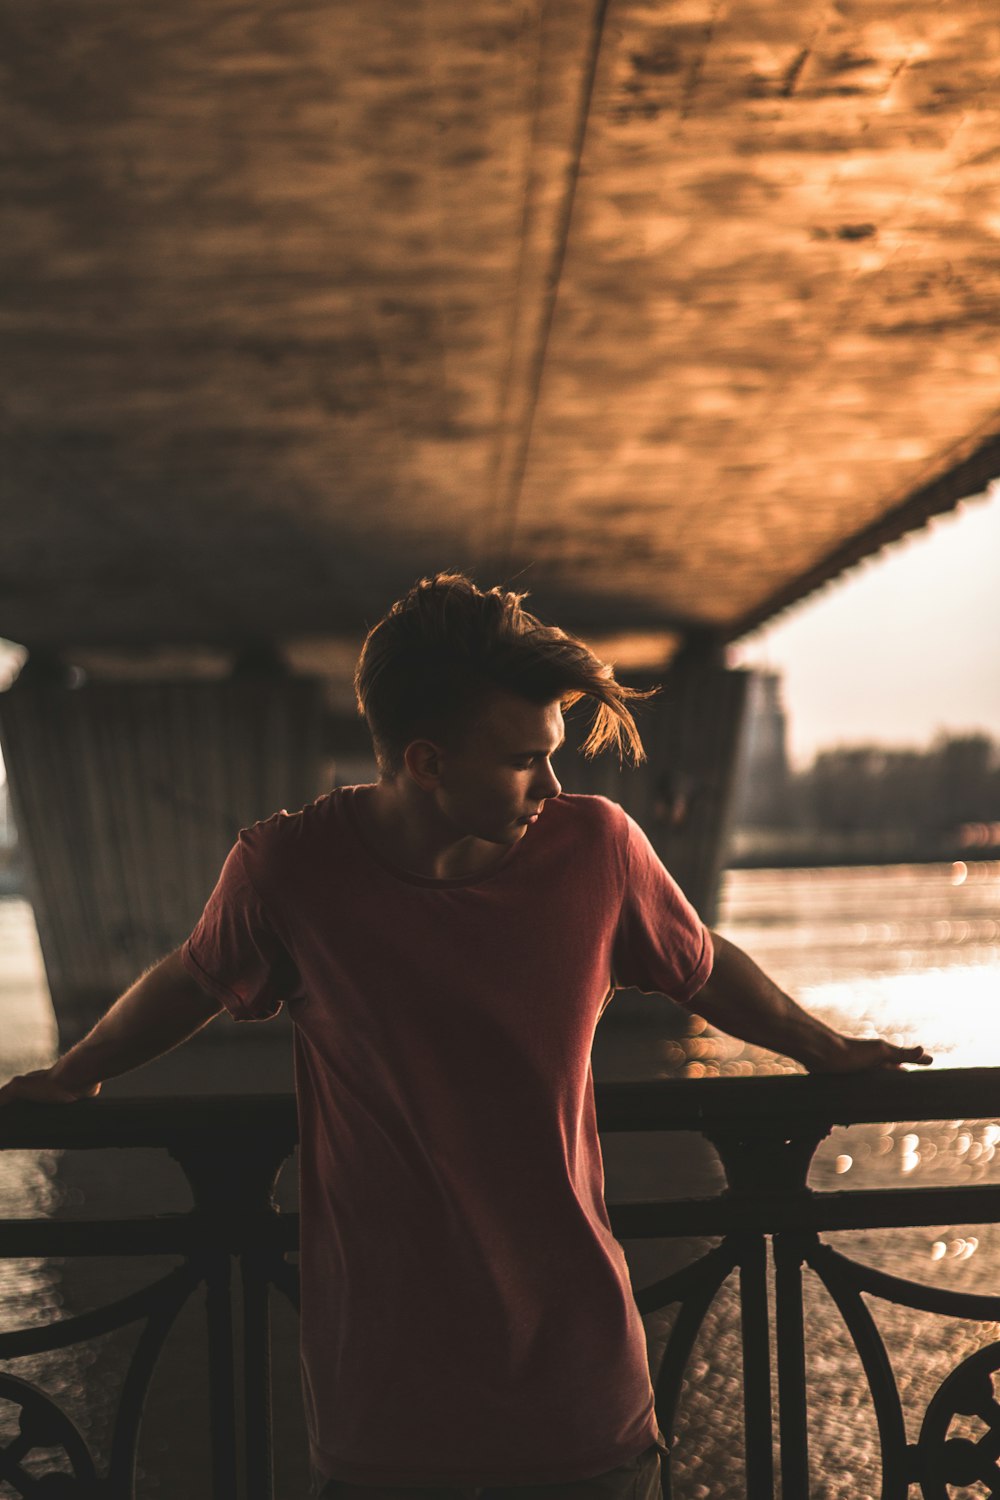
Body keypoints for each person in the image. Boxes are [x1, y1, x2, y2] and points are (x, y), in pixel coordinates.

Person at [0, 574, 931, 1499]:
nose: (553, 784)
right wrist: (76, 1075)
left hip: (582, 1397)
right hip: (387, 1408)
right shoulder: (289, 869)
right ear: (426, 761)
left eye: (555, 752)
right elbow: (191, 981)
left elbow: (702, 963)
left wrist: (825, 1050)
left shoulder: (597, 849)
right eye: (526, 760)